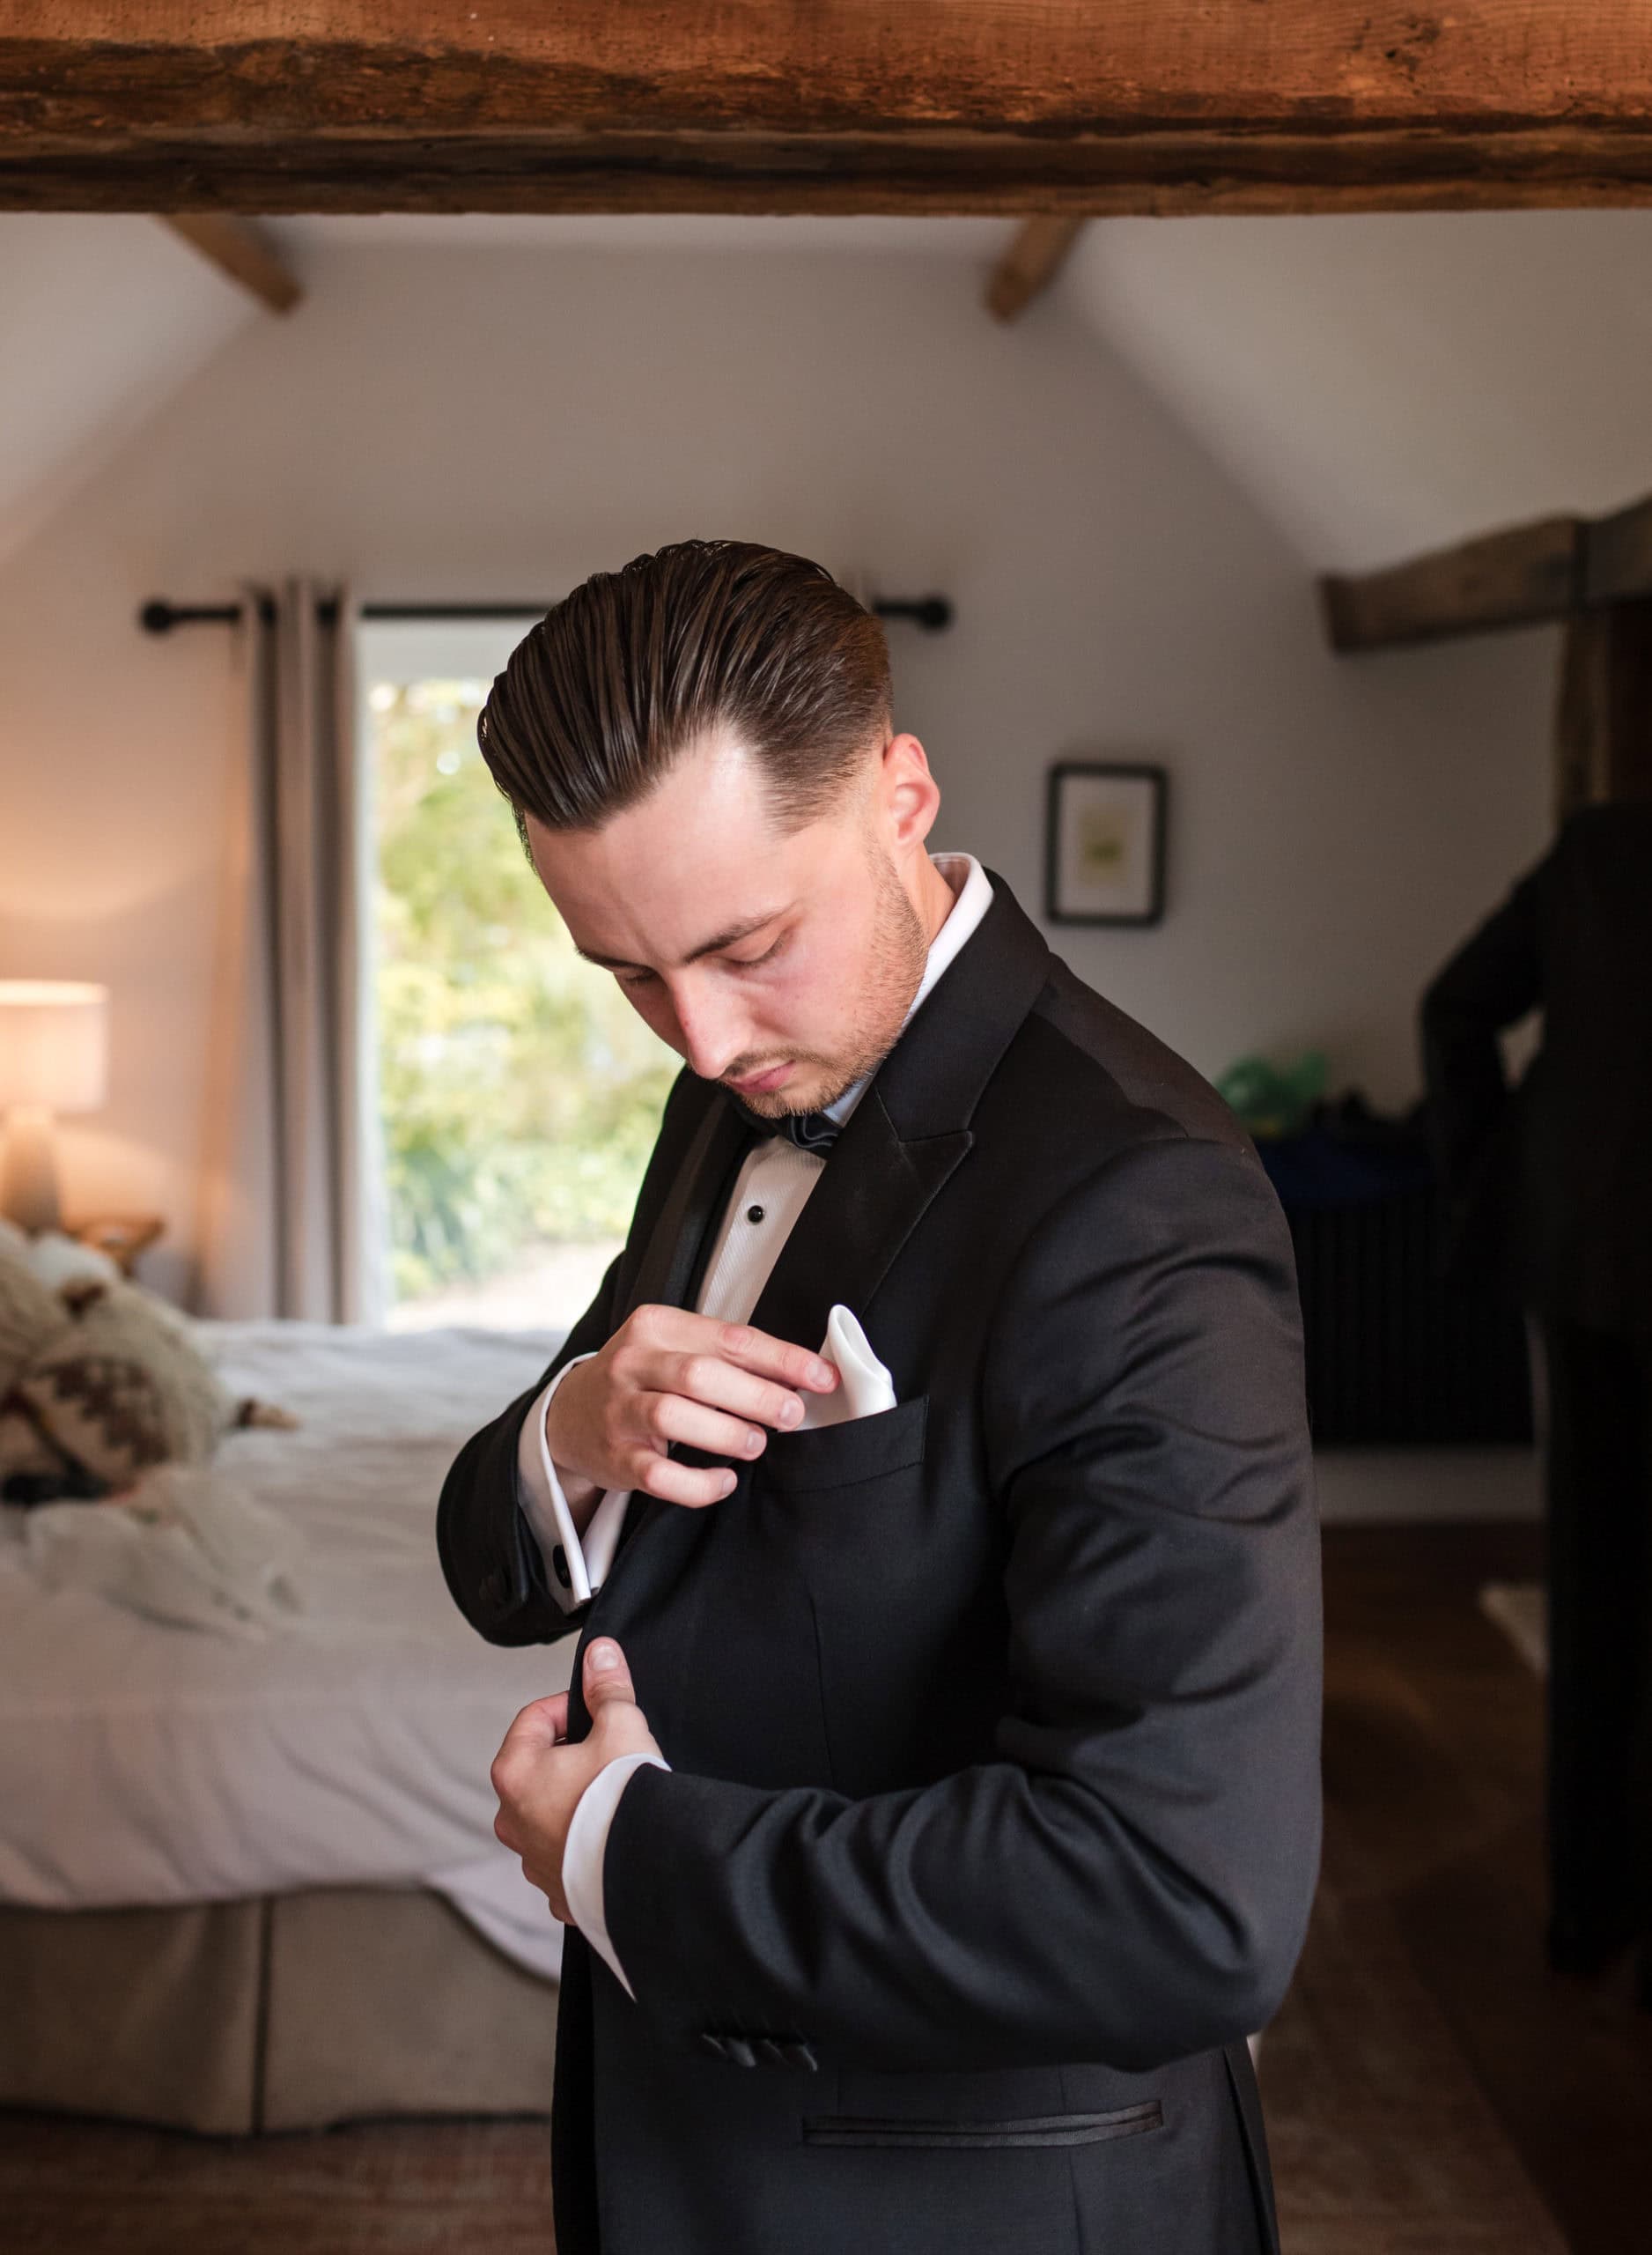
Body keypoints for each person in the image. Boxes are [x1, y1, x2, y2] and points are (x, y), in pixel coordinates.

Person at [437, 539, 1323, 2255]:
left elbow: (1179, 1900)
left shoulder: (1138, 1199)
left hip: (964, 2192)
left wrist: (622, 1848)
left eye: (743, 943)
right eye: (623, 972)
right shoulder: (741, 1079)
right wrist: (572, 1431)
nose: (693, 1037)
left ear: (897, 793)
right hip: (697, 2154)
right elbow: (516, 1552)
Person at [1420, 800, 1652, 1985]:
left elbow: (1454, 1008)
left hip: (1588, 1256)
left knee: (1598, 1587)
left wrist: (1497, 1176)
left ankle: (1590, 1909)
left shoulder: (1605, 849)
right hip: (1592, 1257)